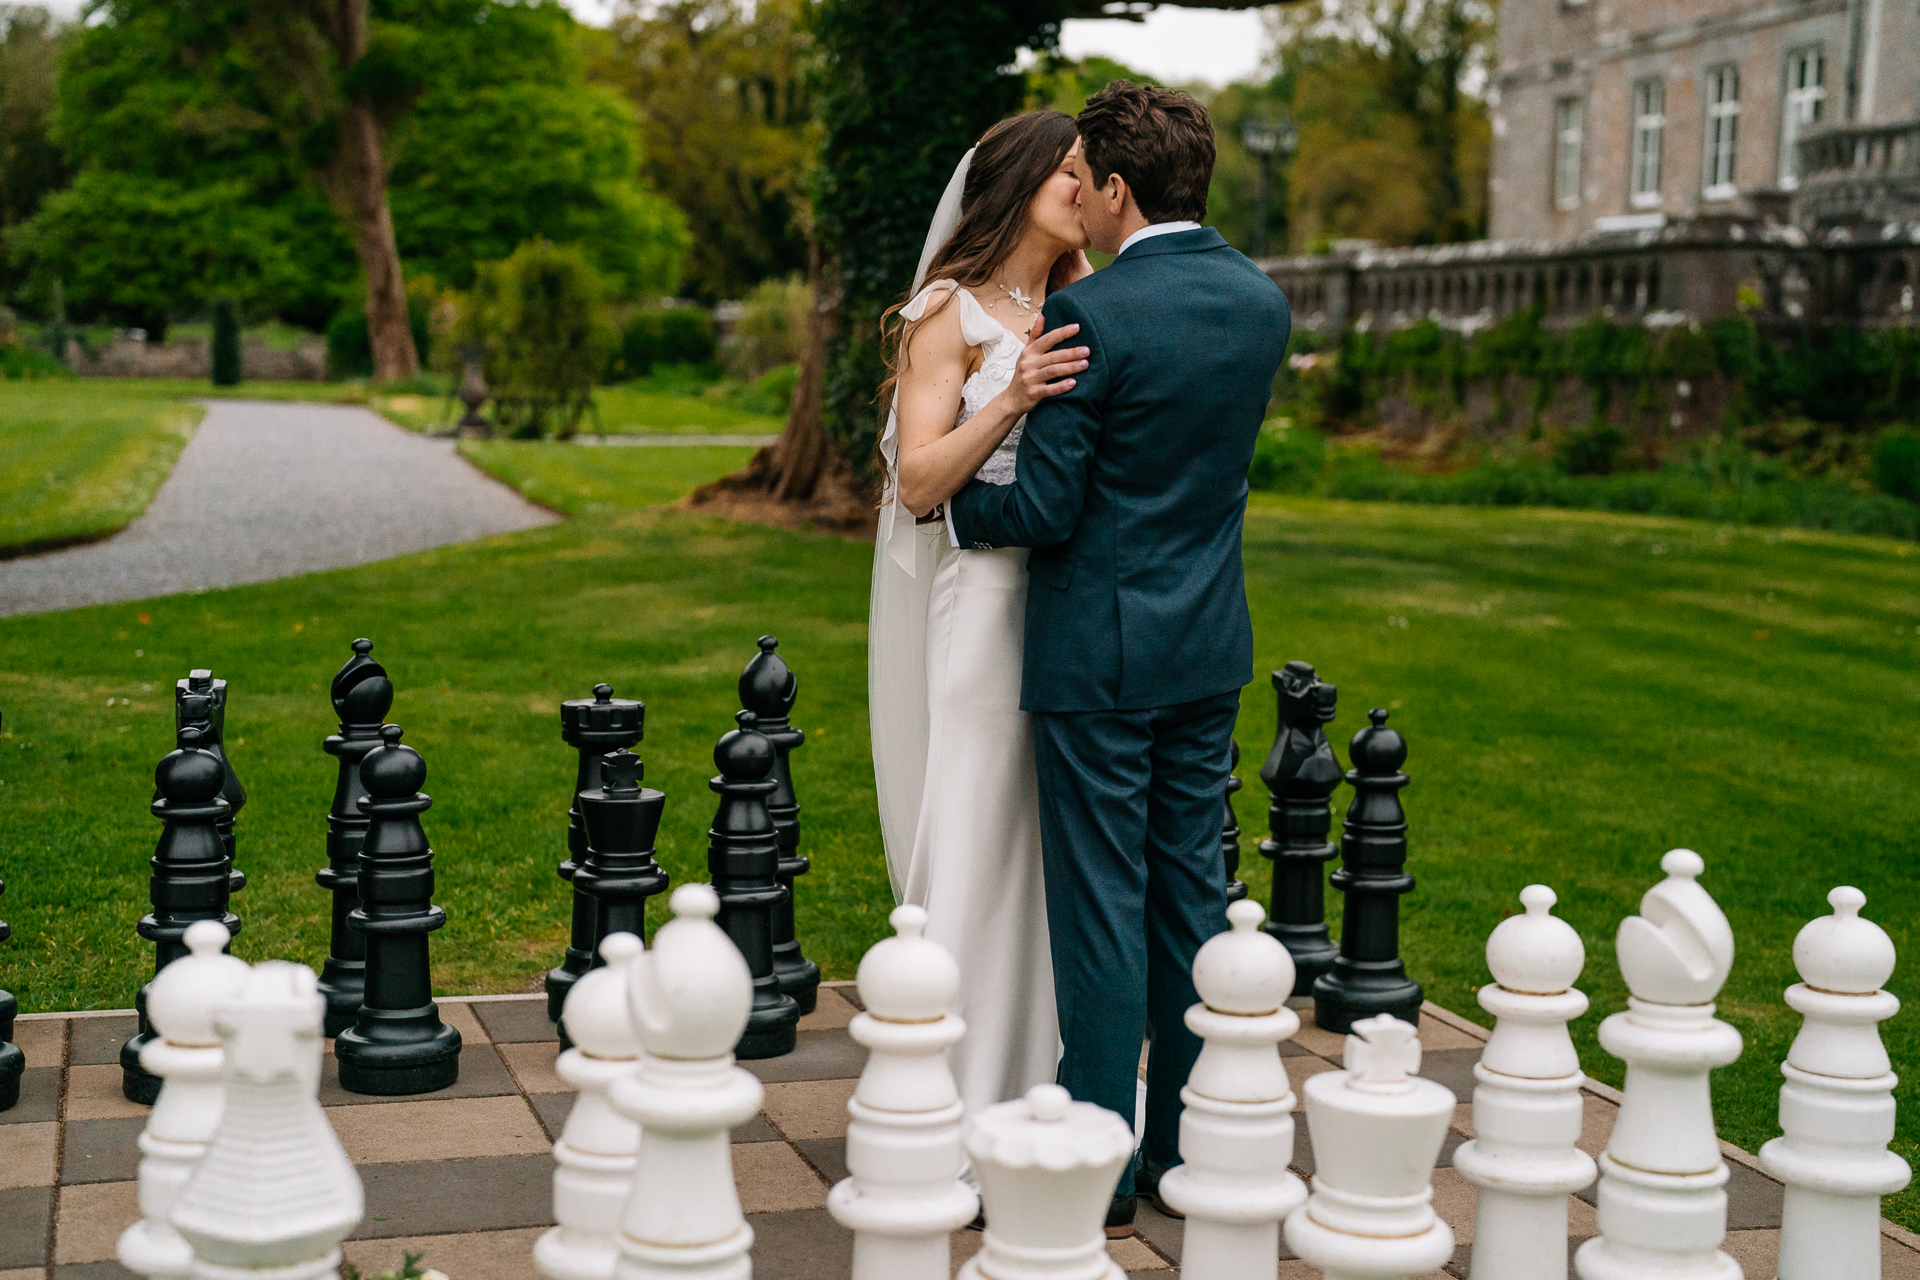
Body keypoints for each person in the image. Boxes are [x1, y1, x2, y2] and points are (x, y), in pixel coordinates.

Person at [945, 82, 1292, 1235]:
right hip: (1208, 649)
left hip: (1097, 660)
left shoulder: (1097, 319)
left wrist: (958, 514)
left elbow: (1044, 508)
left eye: (1086, 179)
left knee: (1099, 908)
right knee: (1190, 899)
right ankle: (1189, 1145)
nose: (1079, 198)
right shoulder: (1259, 301)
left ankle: (1098, 1155)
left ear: (1120, 190)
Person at [866, 110, 1096, 1133]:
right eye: (1072, 174)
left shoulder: (1088, 302)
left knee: (1053, 853)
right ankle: (945, 1101)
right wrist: (1007, 401)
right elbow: (916, 481)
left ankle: (1044, 1084)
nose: (1089, 190)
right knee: (977, 832)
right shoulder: (945, 315)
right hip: (985, 607)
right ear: (1019, 185)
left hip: (1075, 608)